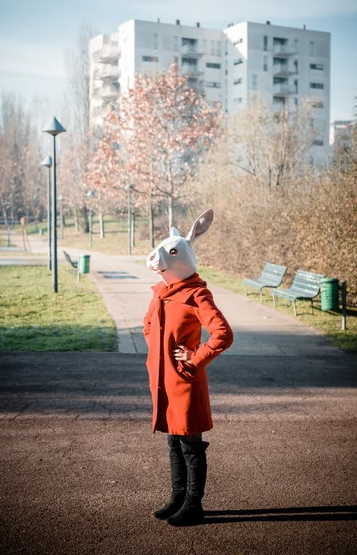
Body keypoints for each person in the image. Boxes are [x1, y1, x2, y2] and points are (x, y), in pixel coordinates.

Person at [143, 209, 233, 526]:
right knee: (173, 439)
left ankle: (194, 505)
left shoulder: (197, 294)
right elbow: (148, 325)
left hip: (185, 382)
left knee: (190, 442)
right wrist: (159, 354)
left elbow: (223, 334)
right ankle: (177, 497)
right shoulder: (162, 292)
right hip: (166, 380)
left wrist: (194, 358)